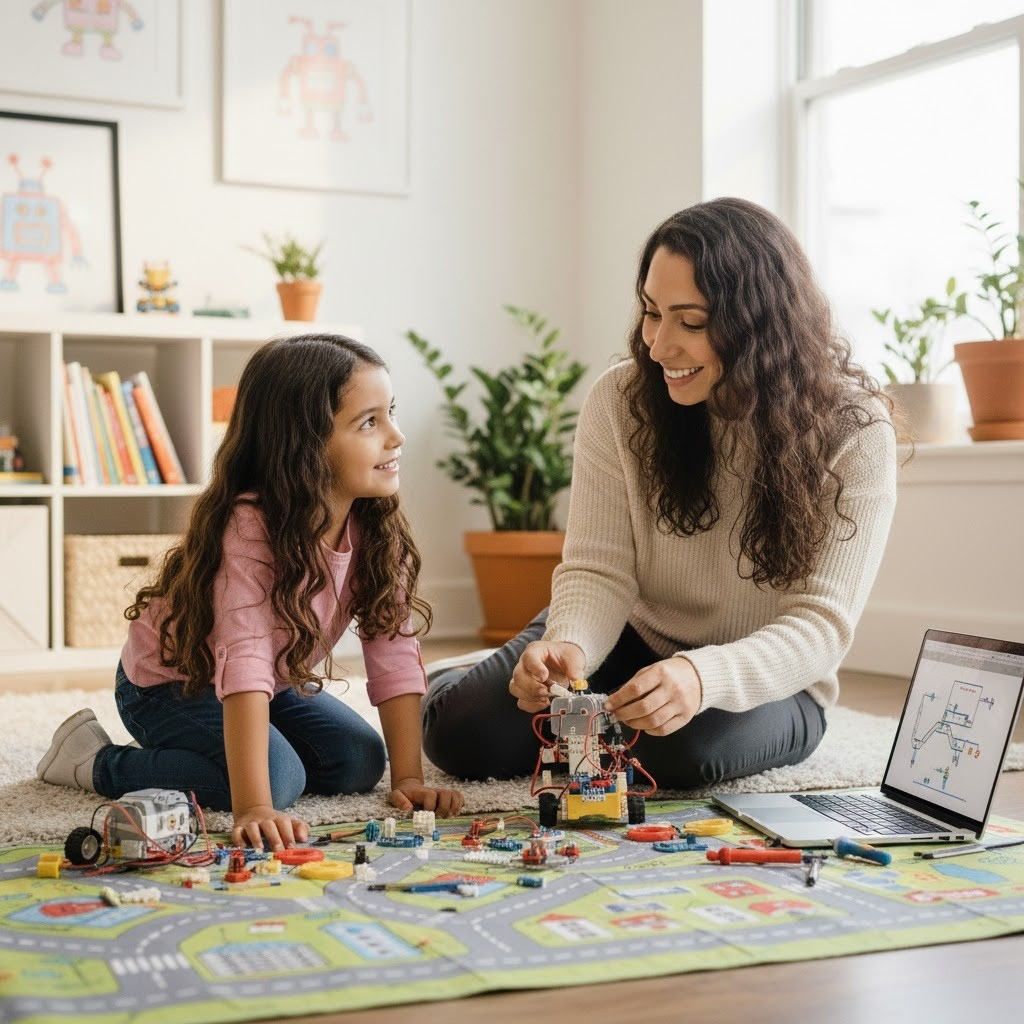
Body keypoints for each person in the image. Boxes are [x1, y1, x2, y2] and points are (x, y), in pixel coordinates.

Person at [422, 198, 899, 789]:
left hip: (772, 682)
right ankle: (465, 676)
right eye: (652, 312)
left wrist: (702, 677)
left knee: (677, 758)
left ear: (761, 327)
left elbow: (820, 626)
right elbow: (599, 568)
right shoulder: (621, 401)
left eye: (690, 323)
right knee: (460, 735)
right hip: (632, 636)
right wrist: (568, 644)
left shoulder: (855, 432)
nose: (657, 345)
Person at [38, 334, 464, 850]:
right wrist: (255, 805)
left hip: (272, 685)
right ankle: (95, 762)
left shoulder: (375, 526)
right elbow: (246, 659)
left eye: (390, 412)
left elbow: (392, 649)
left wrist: (409, 779)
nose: (396, 436)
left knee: (358, 761)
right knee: (280, 782)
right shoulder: (249, 527)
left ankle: (245, 753)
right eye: (369, 422)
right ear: (305, 443)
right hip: (169, 685)